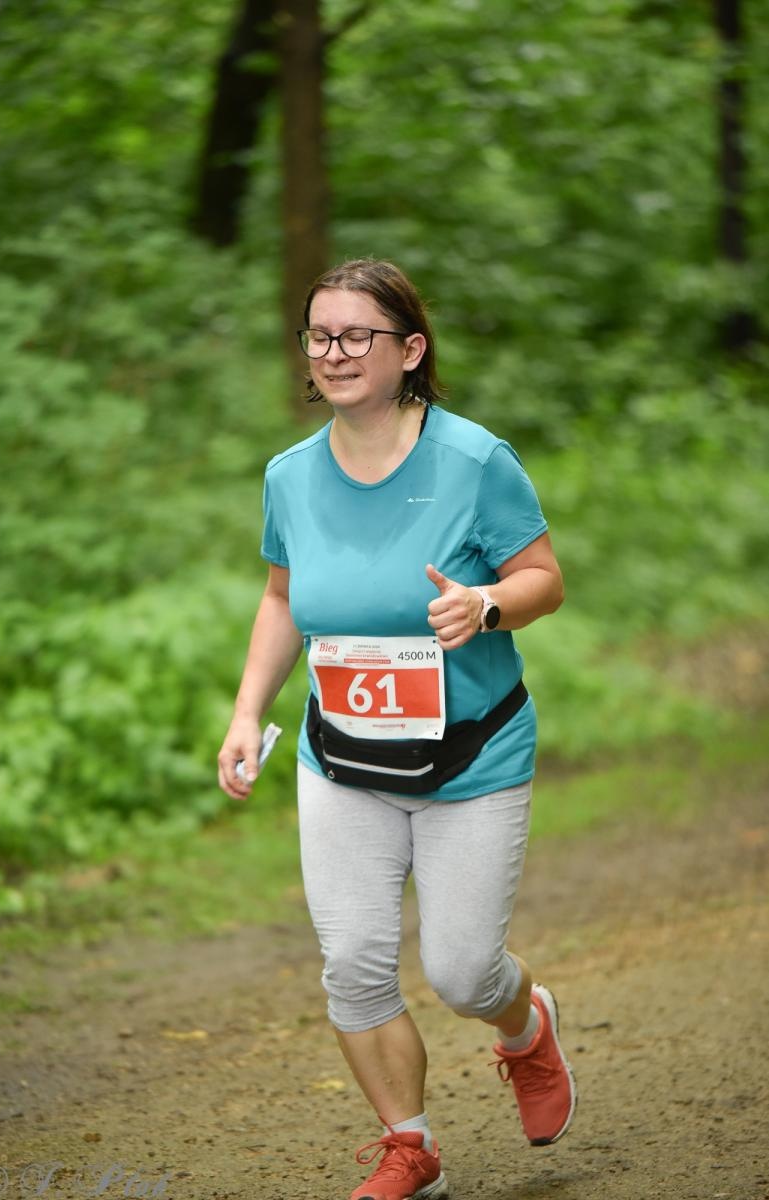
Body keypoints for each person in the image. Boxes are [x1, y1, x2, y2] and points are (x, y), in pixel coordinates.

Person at [217, 258, 576, 1200]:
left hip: (472, 756)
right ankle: (408, 1148)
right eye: (318, 334)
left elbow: (544, 580)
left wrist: (486, 605)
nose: (332, 352)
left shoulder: (474, 462)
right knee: (352, 965)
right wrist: (247, 713)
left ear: (409, 349)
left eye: (355, 335)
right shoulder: (290, 475)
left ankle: (524, 1026)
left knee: (461, 973)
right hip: (341, 758)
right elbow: (281, 599)